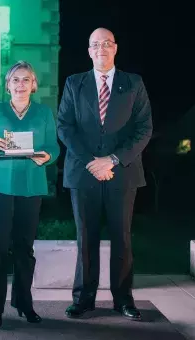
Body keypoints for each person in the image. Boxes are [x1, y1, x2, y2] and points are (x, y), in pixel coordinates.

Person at [57, 28, 153, 321]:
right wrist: (91, 162)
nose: (101, 48)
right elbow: (64, 126)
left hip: (122, 174)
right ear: (89, 51)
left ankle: (123, 299)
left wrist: (111, 160)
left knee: (122, 238)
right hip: (83, 174)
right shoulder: (75, 83)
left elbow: (143, 128)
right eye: (95, 44)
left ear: (115, 48)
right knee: (85, 238)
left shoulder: (133, 83)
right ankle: (83, 299)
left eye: (106, 43)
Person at [0, 61, 60, 328]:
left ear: (33, 84)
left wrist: (47, 156)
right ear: (7, 85)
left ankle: (24, 302)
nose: (20, 84)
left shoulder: (44, 112)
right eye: (15, 80)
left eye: (26, 80)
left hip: (30, 186)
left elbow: (52, 147)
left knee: (25, 248)